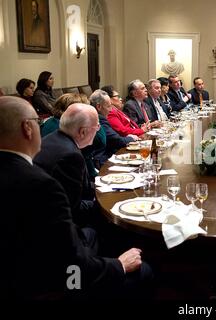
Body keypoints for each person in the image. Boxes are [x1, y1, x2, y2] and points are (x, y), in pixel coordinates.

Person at [0, 96, 152, 300]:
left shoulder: (49, 143)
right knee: (145, 271)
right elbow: (70, 263)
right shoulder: (42, 184)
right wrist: (119, 265)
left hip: (22, 260)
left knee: (96, 234)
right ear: (27, 128)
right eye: (37, 122)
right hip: (42, 280)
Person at [34, 103, 99, 226]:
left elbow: (82, 186)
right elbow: (74, 209)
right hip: (54, 226)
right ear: (83, 132)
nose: (98, 130)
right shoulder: (70, 156)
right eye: (97, 127)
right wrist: (105, 204)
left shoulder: (53, 138)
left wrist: (104, 189)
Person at [90, 89, 138, 166]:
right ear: (99, 106)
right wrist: (131, 138)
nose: (110, 110)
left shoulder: (100, 118)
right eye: (108, 106)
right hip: (102, 163)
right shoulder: (99, 120)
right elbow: (117, 141)